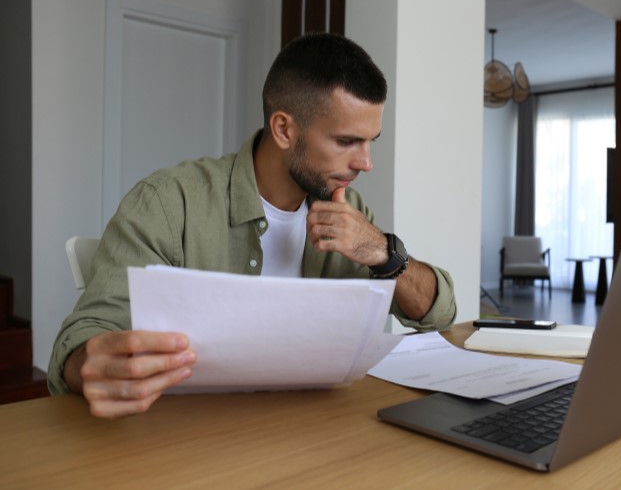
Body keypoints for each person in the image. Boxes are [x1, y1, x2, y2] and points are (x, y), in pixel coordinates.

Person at [47, 33, 457, 418]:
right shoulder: (170, 202)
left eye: (371, 141)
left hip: (309, 428)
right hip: (190, 435)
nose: (365, 162)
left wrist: (384, 253)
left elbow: (440, 314)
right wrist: (90, 363)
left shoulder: (347, 207)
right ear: (283, 129)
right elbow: (85, 337)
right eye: (347, 142)